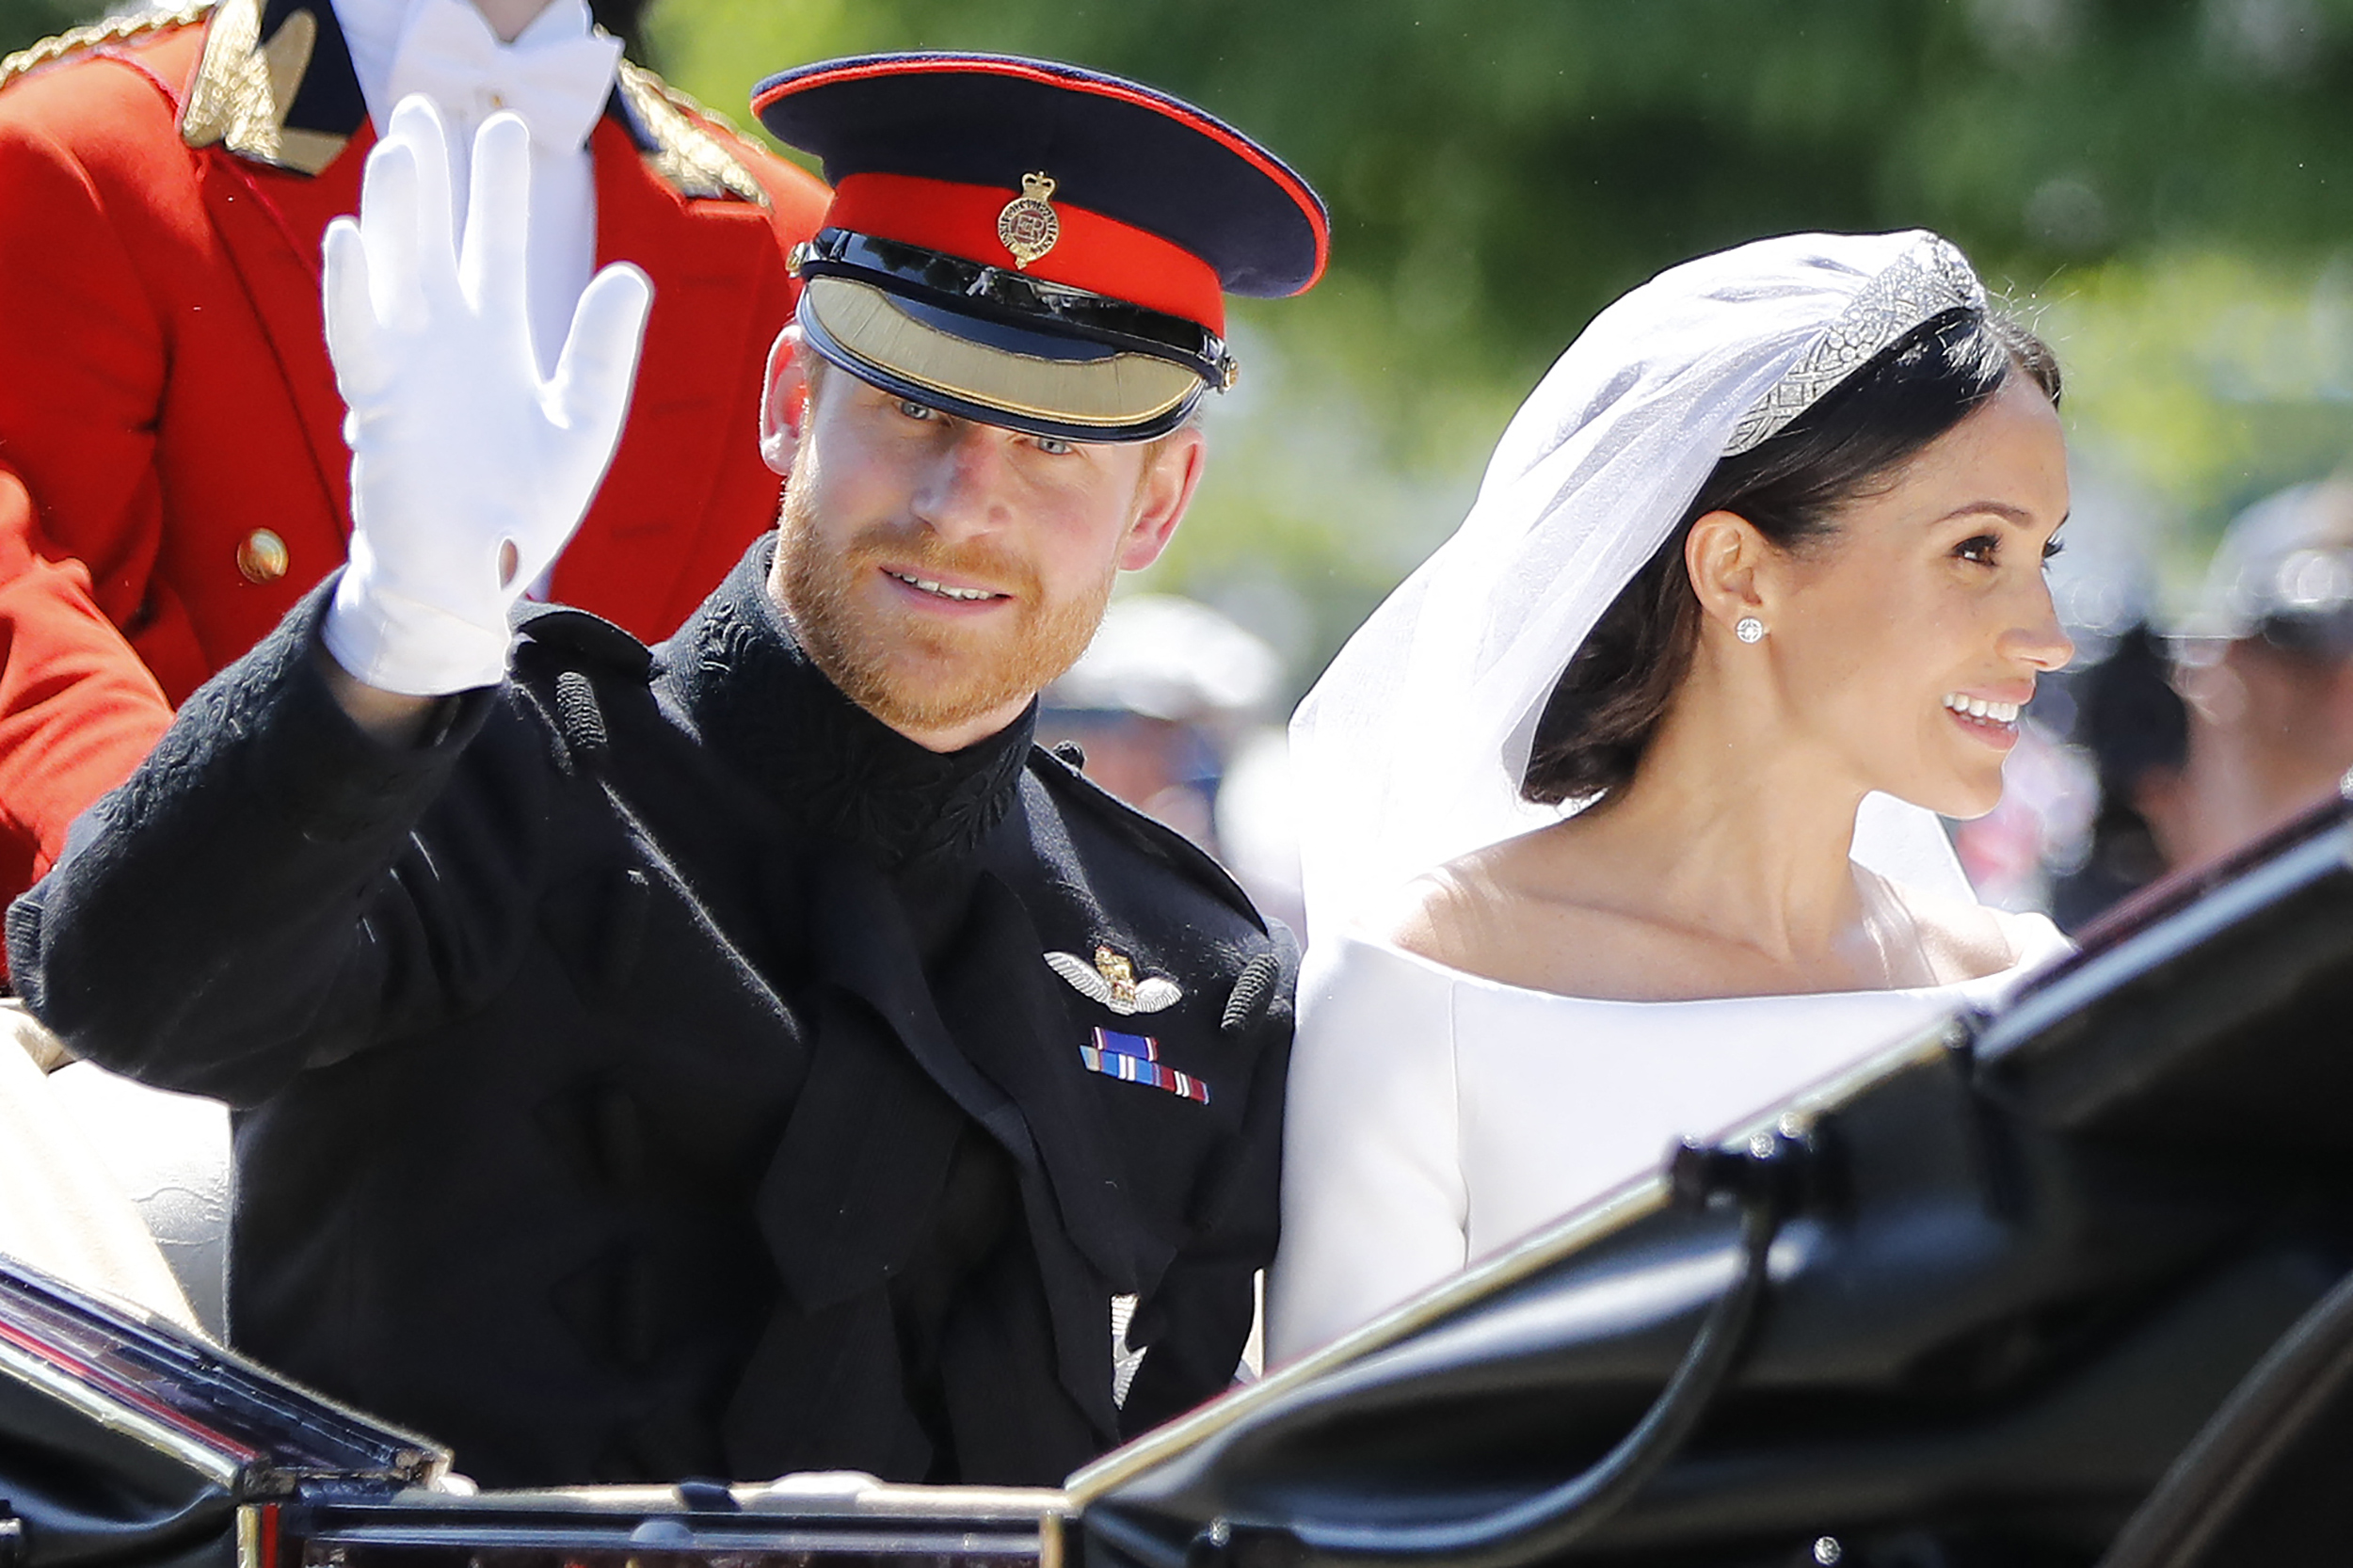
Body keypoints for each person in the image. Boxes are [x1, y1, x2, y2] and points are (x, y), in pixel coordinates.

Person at [8, 53, 1325, 1488]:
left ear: (1159, 504)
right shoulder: (486, 781)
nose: (963, 507)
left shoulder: (1190, 977)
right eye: (913, 411)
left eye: (1054, 448)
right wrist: (381, 635)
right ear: (788, 402)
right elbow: (126, 991)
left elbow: (1187, 1494)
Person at [1266, 232, 2076, 1361]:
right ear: (1738, 571)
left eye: (2047, 554)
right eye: (1977, 549)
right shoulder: (1425, 990)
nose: (2048, 638)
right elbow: (1337, 1502)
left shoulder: (2024, 991)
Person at [0, 0, 829, 919]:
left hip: (638, 1027)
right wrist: (193, 931)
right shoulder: (89, 158)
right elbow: (26, 613)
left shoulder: (793, 251)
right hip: (211, 1016)